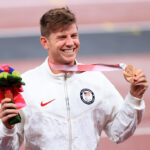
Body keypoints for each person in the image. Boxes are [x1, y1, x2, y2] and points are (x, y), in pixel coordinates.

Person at [0, 7, 148, 150]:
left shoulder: (96, 80)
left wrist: (135, 97)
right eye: (62, 37)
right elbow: (7, 147)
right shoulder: (26, 86)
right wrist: (7, 129)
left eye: (74, 35)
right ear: (45, 42)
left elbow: (119, 133)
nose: (70, 43)